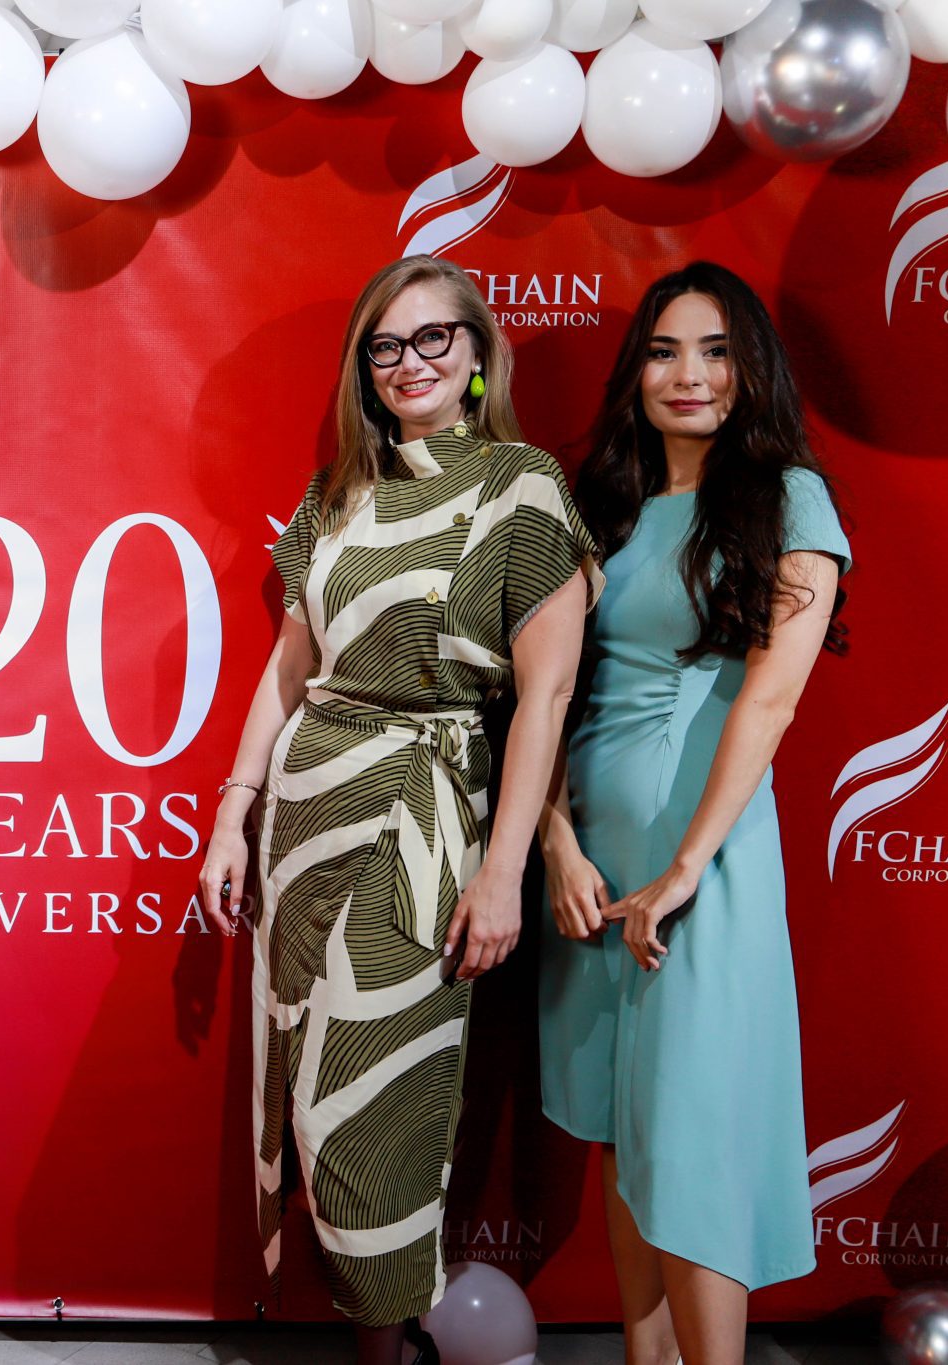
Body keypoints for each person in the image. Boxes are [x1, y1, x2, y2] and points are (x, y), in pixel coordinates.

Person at [200, 255, 600, 1364]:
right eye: (385, 346)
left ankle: (383, 1352)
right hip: (305, 816)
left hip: (425, 820)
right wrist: (233, 811)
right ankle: (370, 1344)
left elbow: (546, 697)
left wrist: (501, 871)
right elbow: (290, 669)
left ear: (476, 355)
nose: (409, 362)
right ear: (362, 370)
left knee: (372, 1102)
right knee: (303, 1090)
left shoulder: (520, 487)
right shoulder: (335, 493)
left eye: (433, 338)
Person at [538, 262, 849, 1364]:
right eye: (666, 350)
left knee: (692, 1135)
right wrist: (554, 841)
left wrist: (683, 866)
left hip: (702, 864)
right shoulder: (603, 507)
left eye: (716, 351)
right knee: (626, 1126)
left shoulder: (788, 500)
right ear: (637, 371)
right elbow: (546, 693)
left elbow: (769, 700)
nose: (689, 374)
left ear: (750, 369)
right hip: (589, 864)